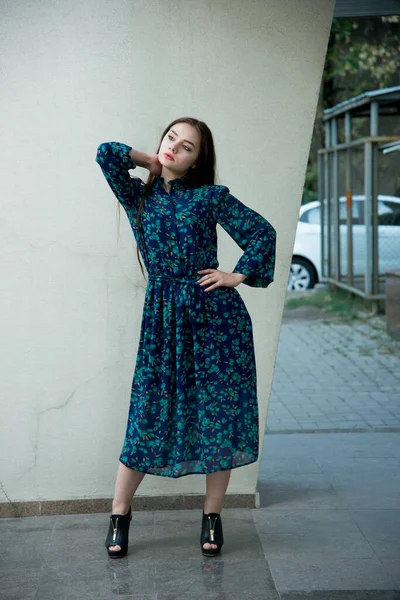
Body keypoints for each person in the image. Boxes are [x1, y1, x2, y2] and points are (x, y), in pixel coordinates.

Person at [95, 117, 276, 559]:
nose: (176, 146)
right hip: (162, 321)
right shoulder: (138, 197)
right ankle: (120, 513)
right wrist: (151, 162)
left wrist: (237, 275)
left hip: (215, 322)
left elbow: (262, 232)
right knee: (148, 412)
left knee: (217, 414)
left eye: (188, 146)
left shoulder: (210, 197)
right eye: (172, 137)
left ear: (198, 161)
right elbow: (106, 152)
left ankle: (212, 515)